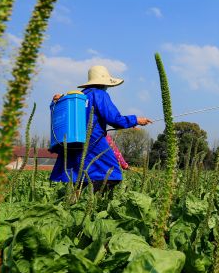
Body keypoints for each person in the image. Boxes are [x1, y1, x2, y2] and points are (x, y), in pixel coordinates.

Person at [49, 65, 152, 195]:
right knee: (112, 175)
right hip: (94, 142)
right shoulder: (100, 94)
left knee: (81, 177)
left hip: (74, 142)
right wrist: (136, 119)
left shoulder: (80, 97)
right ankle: (89, 201)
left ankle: (75, 205)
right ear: (103, 83)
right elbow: (114, 119)